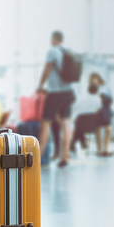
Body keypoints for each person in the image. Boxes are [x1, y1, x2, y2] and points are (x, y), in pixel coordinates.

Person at [37, 31, 76, 167]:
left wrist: (40, 85)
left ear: (53, 39)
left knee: (45, 124)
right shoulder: (68, 52)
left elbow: (46, 70)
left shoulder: (52, 51)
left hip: (54, 94)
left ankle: (38, 157)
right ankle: (64, 156)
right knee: (66, 125)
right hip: (68, 93)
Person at [88, 73, 114, 157]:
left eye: (95, 80)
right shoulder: (91, 89)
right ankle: (100, 149)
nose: (94, 82)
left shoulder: (105, 87)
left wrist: (103, 97)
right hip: (96, 111)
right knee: (97, 130)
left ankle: (106, 149)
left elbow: (111, 98)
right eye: (92, 81)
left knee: (108, 129)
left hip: (105, 110)